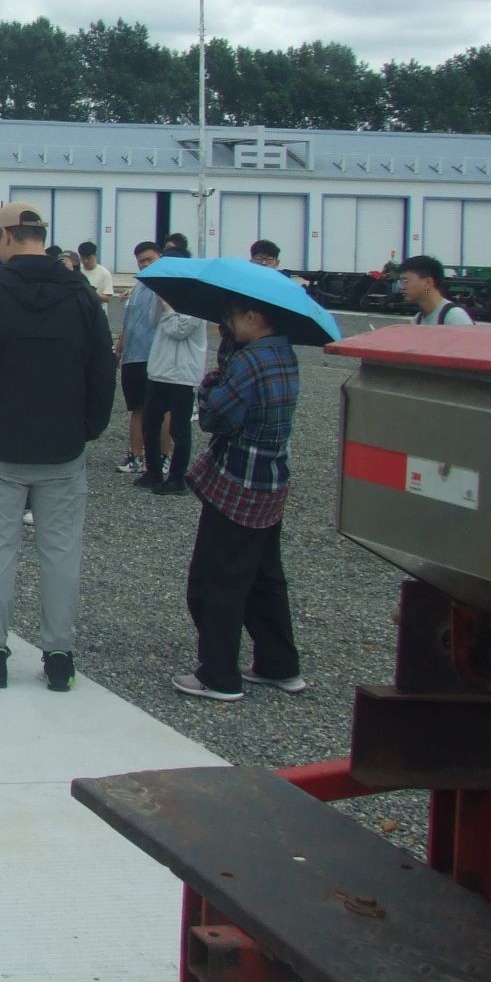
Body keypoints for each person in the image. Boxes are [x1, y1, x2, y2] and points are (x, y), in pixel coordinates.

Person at [0, 202, 114, 693]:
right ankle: (59, 658)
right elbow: (102, 368)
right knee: (61, 552)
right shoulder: (81, 294)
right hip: (63, 446)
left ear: (4, 237)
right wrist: (89, 428)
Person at [173, 300, 305, 701]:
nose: (226, 325)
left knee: (216, 581)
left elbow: (216, 417)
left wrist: (212, 382)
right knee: (265, 578)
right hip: (272, 479)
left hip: (237, 483)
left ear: (252, 317)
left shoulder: (250, 362)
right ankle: (279, 664)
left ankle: (218, 675)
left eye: (231, 318)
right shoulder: (283, 353)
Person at [140, 252, 210, 497]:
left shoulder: (198, 298)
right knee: (150, 423)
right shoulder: (164, 295)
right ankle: (153, 471)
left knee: (179, 428)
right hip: (159, 369)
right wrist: (160, 299)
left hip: (182, 373)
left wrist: (168, 307)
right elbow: (153, 321)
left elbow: (180, 330)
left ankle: (177, 477)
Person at [113, 241, 166, 476]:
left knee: (162, 409)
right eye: (141, 261)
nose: (144, 264)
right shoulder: (137, 287)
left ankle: (163, 457)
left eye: (149, 259)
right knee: (136, 408)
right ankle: (136, 456)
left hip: (156, 356)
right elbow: (128, 323)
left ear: (160, 258)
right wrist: (119, 351)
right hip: (133, 358)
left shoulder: (166, 286)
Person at [400, 254, 473, 326]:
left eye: (406, 281)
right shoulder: (417, 320)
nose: (402, 287)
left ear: (427, 282)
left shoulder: (454, 316)